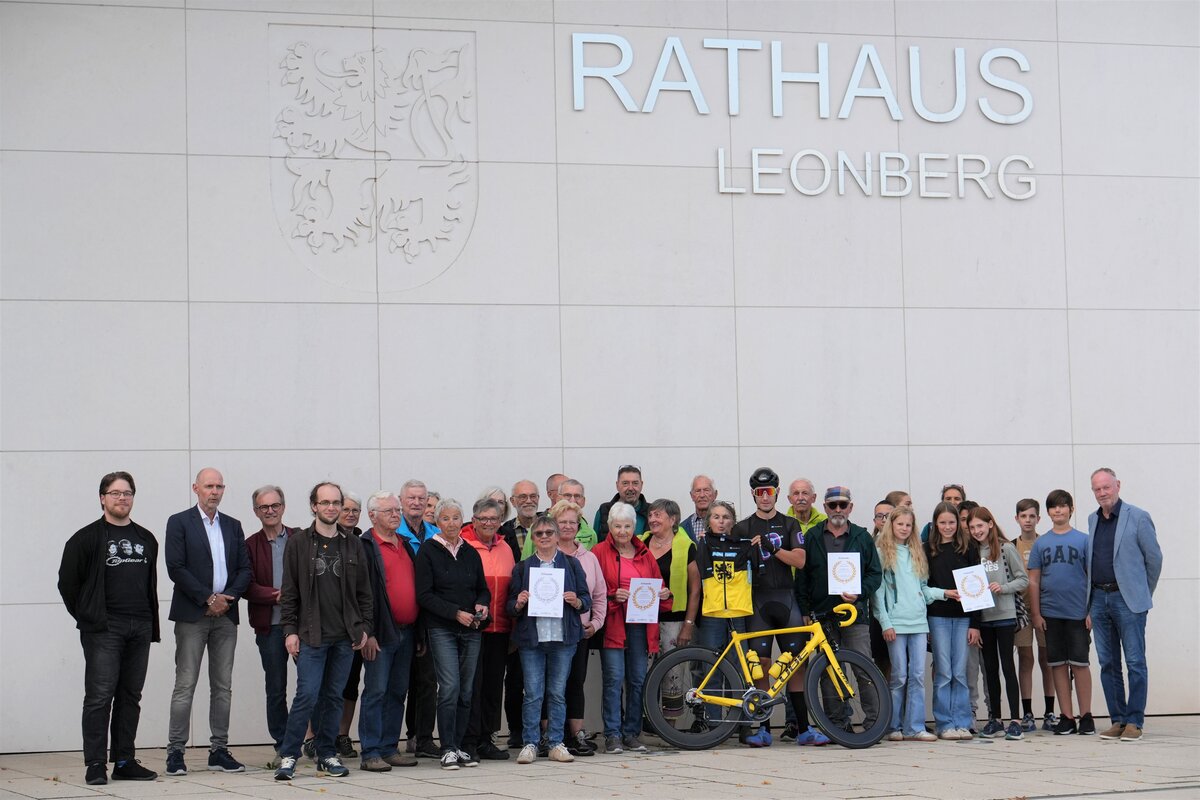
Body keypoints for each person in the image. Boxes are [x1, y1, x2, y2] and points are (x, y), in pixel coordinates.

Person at [58, 471, 160, 785]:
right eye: (115, 493)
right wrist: (89, 616)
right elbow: (68, 584)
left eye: (127, 493)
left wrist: (147, 622)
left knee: (130, 695)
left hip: (140, 625)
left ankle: (125, 760)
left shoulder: (146, 538)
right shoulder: (85, 538)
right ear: (102, 498)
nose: (122, 498)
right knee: (99, 697)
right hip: (104, 627)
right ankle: (95, 764)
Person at [274, 482, 373, 781]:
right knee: (306, 695)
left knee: (334, 697)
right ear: (314, 506)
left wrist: (364, 628)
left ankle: (327, 754)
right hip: (311, 635)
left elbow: (365, 593)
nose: (331, 508)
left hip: (345, 637)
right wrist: (290, 631)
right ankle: (289, 755)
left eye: (336, 503)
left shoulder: (353, 544)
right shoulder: (298, 543)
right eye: (325, 502)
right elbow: (289, 592)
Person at [164, 468, 250, 776]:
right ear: (196, 488)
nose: (214, 491)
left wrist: (227, 598)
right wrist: (207, 598)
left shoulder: (233, 525)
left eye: (219, 486)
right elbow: (175, 567)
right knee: (185, 684)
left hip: (226, 616)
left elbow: (245, 569)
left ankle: (219, 750)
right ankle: (175, 751)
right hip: (192, 615)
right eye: (209, 486)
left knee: (223, 686)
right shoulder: (179, 522)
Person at [795, 486, 884, 739]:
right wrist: (805, 609)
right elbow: (802, 577)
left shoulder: (862, 537)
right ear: (824, 507)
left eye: (842, 505)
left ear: (850, 508)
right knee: (829, 671)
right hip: (823, 615)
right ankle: (836, 726)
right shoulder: (812, 536)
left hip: (855, 614)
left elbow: (875, 574)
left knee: (864, 669)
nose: (837, 509)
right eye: (832, 505)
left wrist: (859, 592)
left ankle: (874, 725)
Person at [732, 468, 811, 747]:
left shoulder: (790, 524)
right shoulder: (742, 527)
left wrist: (773, 549)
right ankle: (763, 729)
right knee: (761, 665)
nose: (765, 497)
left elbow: (800, 560)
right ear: (753, 495)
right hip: (758, 602)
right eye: (759, 493)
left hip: (786, 599)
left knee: (796, 664)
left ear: (777, 493)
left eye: (769, 492)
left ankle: (804, 729)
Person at [508, 516, 592, 764]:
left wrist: (577, 601)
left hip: (562, 640)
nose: (544, 537)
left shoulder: (572, 565)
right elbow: (509, 606)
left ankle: (556, 743)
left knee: (557, 693)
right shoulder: (523, 568)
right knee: (533, 694)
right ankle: (530, 743)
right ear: (533, 539)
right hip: (532, 641)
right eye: (539, 533)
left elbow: (586, 599)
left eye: (549, 533)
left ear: (557, 536)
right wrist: (519, 602)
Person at [1086, 468, 1162, 742]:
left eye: (1106, 487)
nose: (1102, 493)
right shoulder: (1092, 520)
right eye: (1097, 489)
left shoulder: (1138, 517)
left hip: (1127, 600)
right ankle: (1117, 720)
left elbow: (1154, 560)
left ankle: (1135, 721)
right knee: (1107, 663)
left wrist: (1140, 593)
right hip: (1098, 599)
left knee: (1135, 661)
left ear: (1117, 485)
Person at [414, 498, 490, 770]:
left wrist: (482, 604)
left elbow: (482, 588)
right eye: (445, 518)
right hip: (442, 628)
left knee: (466, 691)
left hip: (471, 629)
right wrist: (455, 613)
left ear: (463, 520)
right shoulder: (428, 551)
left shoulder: (470, 551)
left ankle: (459, 747)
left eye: (456, 518)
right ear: (437, 521)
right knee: (449, 688)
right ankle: (446, 748)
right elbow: (424, 595)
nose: (451, 523)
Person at [592, 502, 671, 753]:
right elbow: (592, 591)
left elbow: (658, 585)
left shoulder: (644, 553)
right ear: (610, 527)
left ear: (634, 527)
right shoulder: (598, 552)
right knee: (613, 679)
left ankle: (632, 733)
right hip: (614, 624)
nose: (623, 531)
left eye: (627, 526)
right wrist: (613, 595)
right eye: (618, 526)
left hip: (640, 625)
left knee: (637, 680)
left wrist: (664, 593)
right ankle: (613, 734)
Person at [356, 491, 420, 771]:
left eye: (397, 510)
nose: (395, 515)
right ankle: (370, 752)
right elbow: (360, 593)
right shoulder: (365, 547)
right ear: (372, 516)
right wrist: (367, 633)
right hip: (380, 633)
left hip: (407, 631)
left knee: (397, 691)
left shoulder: (405, 544)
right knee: (376, 691)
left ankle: (389, 747)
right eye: (388, 511)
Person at [1027, 490, 1094, 737]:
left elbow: (1093, 579)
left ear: (1071, 510)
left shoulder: (1084, 540)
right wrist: (1036, 614)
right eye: (1054, 507)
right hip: (1051, 614)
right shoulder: (1041, 543)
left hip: (1078, 613)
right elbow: (1034, 581)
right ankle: (1066, 716)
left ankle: (1086, 716)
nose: (1058, 510)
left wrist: (1091, 611)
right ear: (1048, 512)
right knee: (1057, 664)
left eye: (1063, 506)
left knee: (1080, 664)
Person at [873, 506, 942, 742]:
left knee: (918, 675)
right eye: (900, 524)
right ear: (891, 525)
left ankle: (915, 727)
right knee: (899, 675)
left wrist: (945, 593)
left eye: (908, 525)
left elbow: (923, 589)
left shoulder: (917, 552)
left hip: (919, 623)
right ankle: (893, 726)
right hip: (896, 623)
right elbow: (877, 593)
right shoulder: (881, 553)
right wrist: (885, 623)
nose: (904, 528)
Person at [547, 500, 607, 755]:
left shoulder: (589, 558)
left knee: (575, 682)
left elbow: (599, 595)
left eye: (573, 522)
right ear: (553, 525)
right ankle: (550, 735)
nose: (568, 526)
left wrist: (596, 623)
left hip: (580, 632)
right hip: (550, 632)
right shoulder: (544, 555)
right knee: (551, 683)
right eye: (563, 522)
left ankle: (576, 735)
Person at [965, 507, 1030, 740]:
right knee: (990, 670)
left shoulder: (1005, 548)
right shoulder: (971, 552)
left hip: (1004, 616)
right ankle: (996, 720)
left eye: (980, 525)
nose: (977, 531)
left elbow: (1023, 579)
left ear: (990, 524)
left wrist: (1003, 588)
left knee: (1008, 667)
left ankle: (1015, 720)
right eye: (972, 527)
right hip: (984, 619)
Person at [461, 498, 515, 762]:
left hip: (500, 628)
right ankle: (468, 741)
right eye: (483, 518)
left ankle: (487, 739)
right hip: (472, 628)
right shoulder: (464, 545)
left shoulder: (506, 547)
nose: (488, 523)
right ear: (474, 520)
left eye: (494, 518)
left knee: (493, 687)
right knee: (472, 686)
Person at [244, 485, 294, 761]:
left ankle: (316, 740)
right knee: (276, 688)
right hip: (270, 626)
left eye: (275, 505)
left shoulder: (300, 538)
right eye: (264, 507)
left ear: (283, 507)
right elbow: (246, 585)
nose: (270, 511)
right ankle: (283, 745)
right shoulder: (250, 545)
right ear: (256, 512)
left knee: (313, 686)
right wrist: (277, 596)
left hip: (303, 625)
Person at [641, 499, 701, 724]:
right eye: (650, 515)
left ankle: (669, 726)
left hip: (674, 621)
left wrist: (688, 625)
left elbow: (695, 590)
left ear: (673, 519)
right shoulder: (640, 543)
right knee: (642, 671)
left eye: (658, 515)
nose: (652, 519)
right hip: (643, 619)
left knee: (672, 673)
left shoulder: (686, 546)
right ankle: (645, 721)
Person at [925, 502, 982, 740]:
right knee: (944, 672)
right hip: (937, 617)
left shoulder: (968, 547)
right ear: (935, 524)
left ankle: (962, 721)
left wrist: (975, 624)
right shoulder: (927, 549)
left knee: (959, 672)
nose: (947, 527)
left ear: (958, 523)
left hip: (963, 618)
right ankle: (944, 723)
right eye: (943, 522)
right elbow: (924, 586)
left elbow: (977, 587)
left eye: (952, 522)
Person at [396, 479, 439, 758]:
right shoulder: (393, 532)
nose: (416, 502)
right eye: (411, 498)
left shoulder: (436, 535)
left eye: (421, 498)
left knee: (427, 680)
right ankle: (389, 740)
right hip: (401, 618)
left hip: (430, 618)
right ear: (401, 501)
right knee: (398, 682)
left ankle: (421, 738)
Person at [1013, 498, 1057, 732]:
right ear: (1017, 519)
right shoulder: (1011, 546)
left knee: (1047, 659)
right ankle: (1027, 713)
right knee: (1025, 658)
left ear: (1039, 518)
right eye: (1023, 516)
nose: (1028, 520)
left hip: (1045, 609)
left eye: (1032, 516)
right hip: (1021, 610)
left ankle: (1050, 712)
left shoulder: (1046, 543)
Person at [593, 465, 649, 541]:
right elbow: (595, 542)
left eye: (635, 483)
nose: (630, 488)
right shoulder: (604, 511)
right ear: (617, 485)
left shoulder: (652, 513)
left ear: (641, 485)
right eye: (625, 483)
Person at [557, 479, 598, 550]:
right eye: (567, 495)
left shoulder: (591, 534)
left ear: (583, 501)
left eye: (577, 496)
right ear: (558, 499)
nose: (572, 500)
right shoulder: (542, 527)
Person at [681, 475, 718, 542]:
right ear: (692, 496)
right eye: (698, 491)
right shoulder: (683, 528)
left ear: (715, 494)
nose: (702, 495)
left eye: (706, 490)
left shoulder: (725, 524)